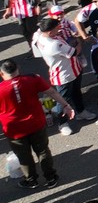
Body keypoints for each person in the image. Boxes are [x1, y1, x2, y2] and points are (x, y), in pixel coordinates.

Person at [0, 58, 74, 188]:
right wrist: (66, 105)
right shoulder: (33, 79)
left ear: (1, 74)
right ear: (18, 69)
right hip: (36, 123)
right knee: (43, 151)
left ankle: (31, 180)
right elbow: (51, 92)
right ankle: (51, 178)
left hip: (14, 129)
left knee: (23, 155)